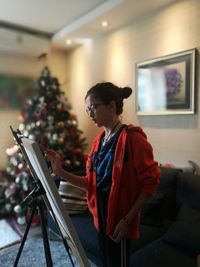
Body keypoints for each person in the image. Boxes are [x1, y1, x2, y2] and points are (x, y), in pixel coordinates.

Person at [45, 82, 160, 267]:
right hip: (100, 220)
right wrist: (60, 172)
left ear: (112, 106)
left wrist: (127, 220)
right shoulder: (98, 142)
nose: (90, 114)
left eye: (94, 107)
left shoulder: (133, 139)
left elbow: (150, 183)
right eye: (88, 109)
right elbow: (90, 183)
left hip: (119, 224)